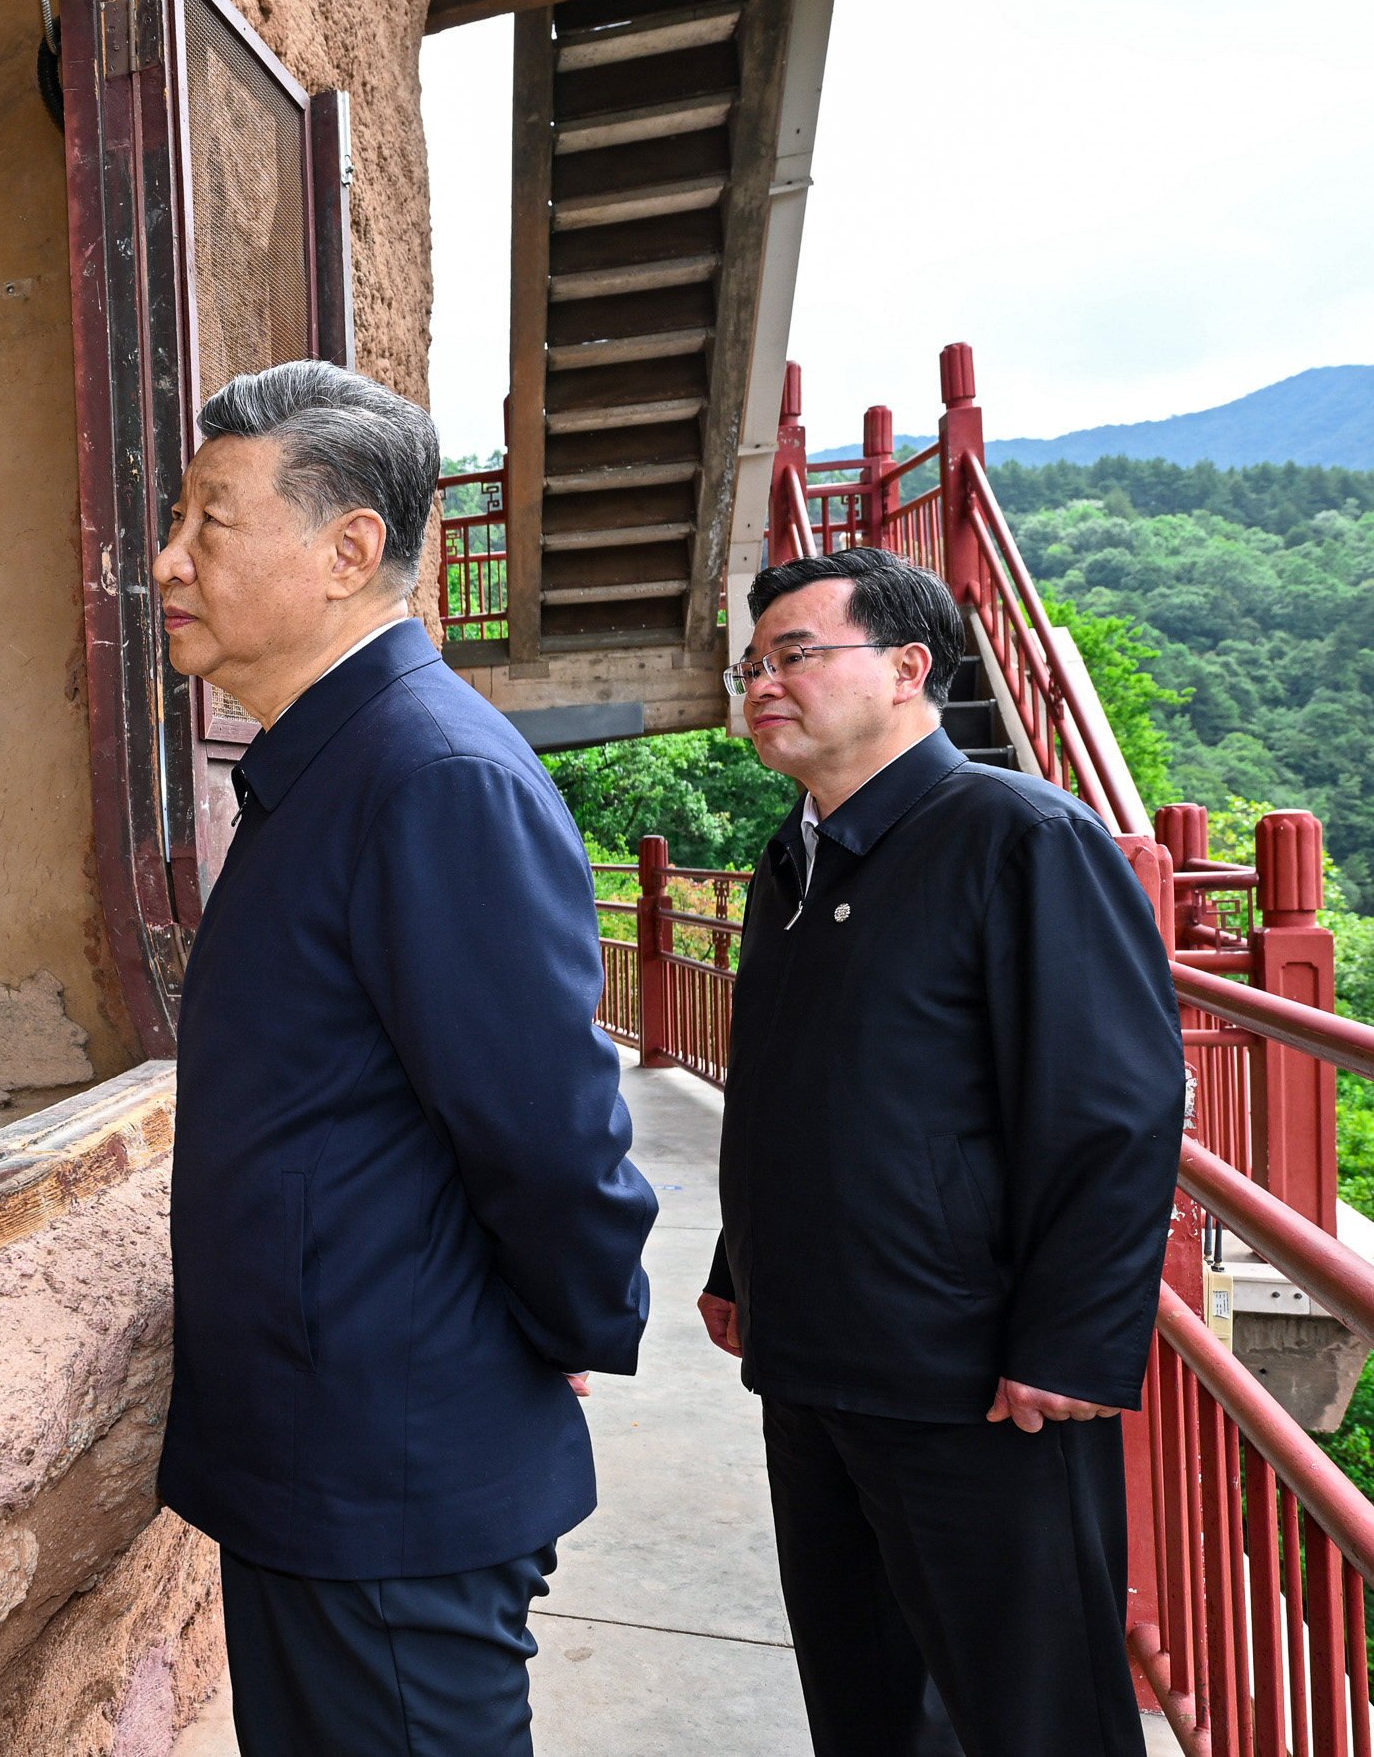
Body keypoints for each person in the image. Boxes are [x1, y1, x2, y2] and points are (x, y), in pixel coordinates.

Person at [154, 362, 656, 1757]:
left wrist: (561, 1327)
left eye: (208, 519)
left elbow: (549, 1134)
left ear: (348, 550)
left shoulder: (426, 772)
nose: (165, 557)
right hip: (324, 1455)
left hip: (390, 1463)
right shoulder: (325, 762)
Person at [703, 547, 1181, 1755]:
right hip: (814, 1357)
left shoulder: (1018, 835)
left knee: (1032, 1711)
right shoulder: (790, 858)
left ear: (909, 667)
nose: (762, 680)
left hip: (976, 1379)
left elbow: (1113, 1107)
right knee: (862, 1699)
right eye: (750, 662)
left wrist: (1068, 1338)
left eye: (795, 653)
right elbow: (791, 1087)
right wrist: (733, 1261)